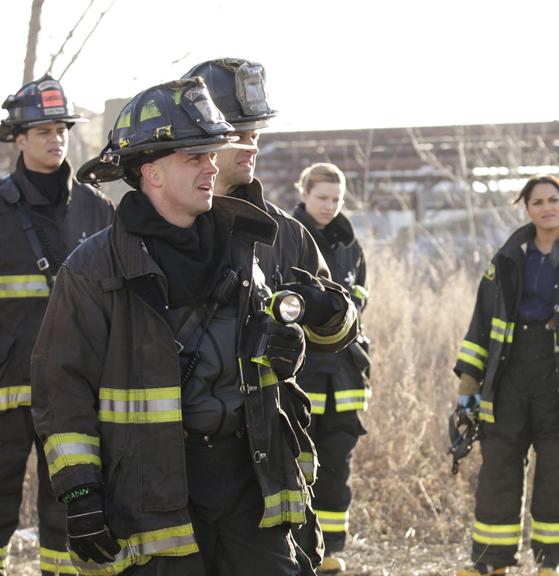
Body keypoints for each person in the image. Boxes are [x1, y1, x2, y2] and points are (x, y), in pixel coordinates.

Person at [31, 77, 356, 576]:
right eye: (195, 157)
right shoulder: (94, 268)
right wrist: (80, 494)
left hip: (251, 478)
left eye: (211, 154)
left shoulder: (250, 242)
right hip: (153, 488)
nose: (213, 166)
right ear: (152, 172)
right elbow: (60, 389)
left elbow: (311, 334)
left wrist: (288, 341)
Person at [0, 76, 114, 576]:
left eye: (61, 129)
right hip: (1, 386)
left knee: (68, 501)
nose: (56, 138)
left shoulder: (97, 208)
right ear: (19, 139)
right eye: (43, 130)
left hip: (75, 388)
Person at [452, 175, 559, 576]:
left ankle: (552, 563)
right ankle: (490, 562)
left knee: (557, 475)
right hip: (508, 380)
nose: (547, 208)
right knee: (497, 470)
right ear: (526, 209)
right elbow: (482, 322)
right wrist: (469, 380)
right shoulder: (506, 259)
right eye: (537, 202)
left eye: (553, 199)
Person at [292, 163, 371, 574]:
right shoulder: (288, 236)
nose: (329, 206)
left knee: (337, 466)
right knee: (296, 463)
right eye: (322, 197)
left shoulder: (349, 245)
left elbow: (360, 301)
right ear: (304, 193)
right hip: (303, 374)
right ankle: (295, 548)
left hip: (345, 376)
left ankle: (330, 550)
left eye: (337, 199)